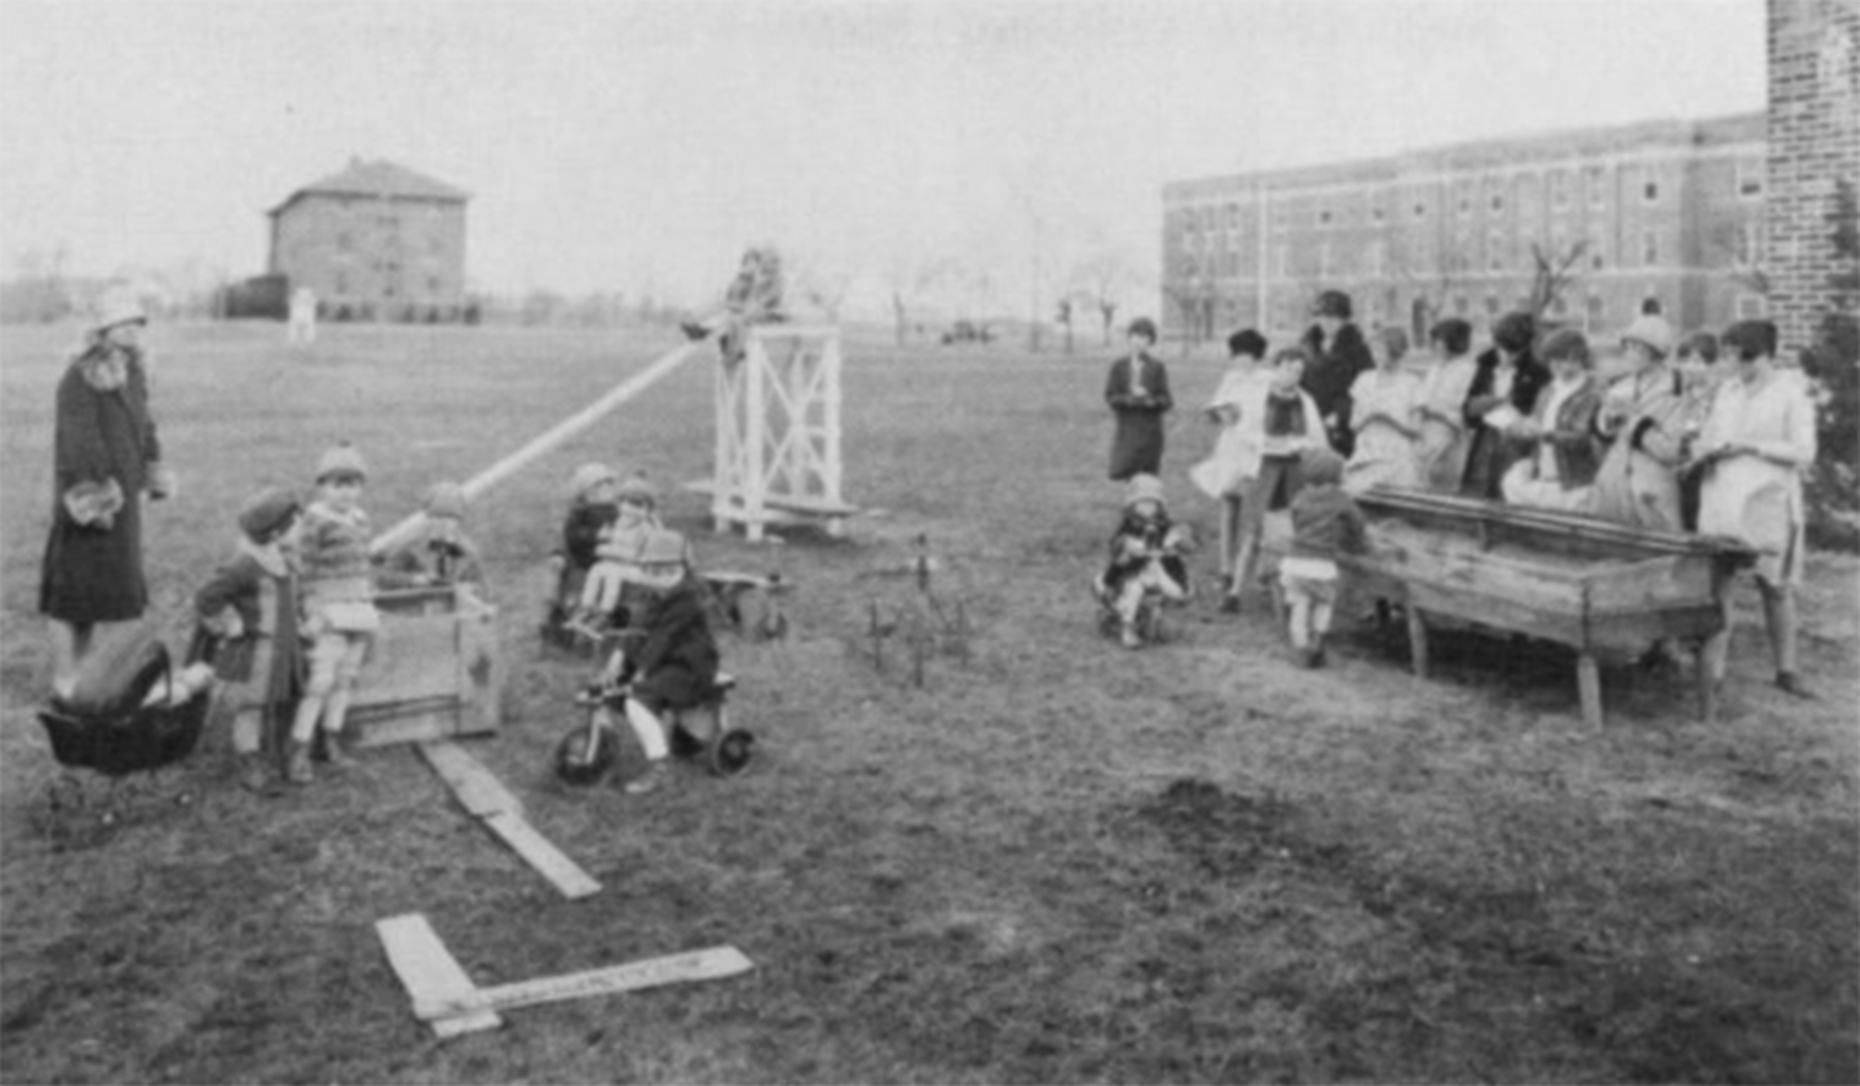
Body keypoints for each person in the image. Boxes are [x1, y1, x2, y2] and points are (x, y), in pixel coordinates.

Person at [40, 286, 175, 706]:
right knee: (72, 595)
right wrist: (97, 496)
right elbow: (78, 441)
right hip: (89, 501)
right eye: (122, 321)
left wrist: (151, 470)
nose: (132, 328)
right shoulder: (81, 375)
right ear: (102, 328)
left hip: (125, 502)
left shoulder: (134, 371)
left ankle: (88, 678)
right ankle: (66, 678)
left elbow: (145, 426)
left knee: (112, 592)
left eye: (137, 322)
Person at [1692, 320, 1818, 703]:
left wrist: (1751, 446)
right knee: (1721, 584)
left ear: (1767, 355)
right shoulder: (1728, 391)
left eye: (1745, 358)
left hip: (1769, 501)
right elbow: (1711, 435)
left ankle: (1786, 670)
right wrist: (1704, 451)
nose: (1738, 365)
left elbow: (1804, 451)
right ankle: (1714, 671)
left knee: (1775, 586)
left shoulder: (1791, 393)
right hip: (1725, 498)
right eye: (1732, 356)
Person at [191, 487, 304, 795]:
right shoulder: (245, 565)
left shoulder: (284, 559)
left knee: (279, 698)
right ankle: (250, 760)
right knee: (250, 706)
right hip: (256, 652)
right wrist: (231, 623)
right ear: (276, 533)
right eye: (296, 523)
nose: (302, 528)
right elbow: (206, 597)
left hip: (284, 648)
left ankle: (277, 750)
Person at [598, 528, 721, 795]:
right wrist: (619, 655)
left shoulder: (687, 600)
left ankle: (660, 766)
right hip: (663, 658)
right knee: (606, 687)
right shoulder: (651, 594)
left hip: (689, 664)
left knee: (638, 698)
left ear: (683, 570)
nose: (658, 579)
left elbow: (663, 638)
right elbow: (637, 628)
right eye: (652, 571)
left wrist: (641, 670)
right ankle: (602, 744)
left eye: (667, 572)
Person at [286, 443, 379, 784]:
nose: (345, 492)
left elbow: (363, 563)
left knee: (346, 678)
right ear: (322, 486)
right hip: (328, 609)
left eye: (352, 484)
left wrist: (368, 591)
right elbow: (303, 570)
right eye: (337, 484)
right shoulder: (314, 522)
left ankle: (330, 739)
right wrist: (308, 610)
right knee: (320, 681)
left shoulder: (360, 519)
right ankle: (298, 746)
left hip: (359, 607)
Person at [1228, 347, 1330, 612]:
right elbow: (1242, 431)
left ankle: (1289, 590)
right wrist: (1265, 441)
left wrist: (1299, 444)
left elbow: (1318, 440)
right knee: (1251, 529)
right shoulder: (1257, 396)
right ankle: (1235, 591)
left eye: (1298, 372)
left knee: (1292, 528)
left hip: (1294, 469)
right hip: (1263, 467)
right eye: (1287, 369)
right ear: (1276, 368)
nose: (1292, 376)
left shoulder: (1305, 401)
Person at [1190, 329, 1267, 608]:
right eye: (1236, 356)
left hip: (1255, 449)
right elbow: (1214, 410)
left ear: (1256, 356)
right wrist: (1220, 414)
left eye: (1245, 356)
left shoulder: (1266, 381)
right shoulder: (1231, 379)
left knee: (1254, 511)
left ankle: (1254, 571)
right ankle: (1226, 567)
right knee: (1229, 504)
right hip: (1231, 447)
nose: (1239, 362)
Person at [1588, 314, 1687, 531]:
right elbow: (1604, 437)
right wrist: (1608, 419)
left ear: (1656, 354)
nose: (1631, 355)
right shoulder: (1619, 386)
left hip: (1651, 490)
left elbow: (1671, 451)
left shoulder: (1675, 391)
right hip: (1613, 486)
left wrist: (1634, 422)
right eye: (1628, 347)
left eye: (1639, 349)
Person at [1500, 329, 1606, 512]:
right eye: (1552, 360)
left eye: (1564, 359)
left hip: (1575, 484)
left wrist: (1545, 435)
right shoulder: (1548, 391)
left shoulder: (1593, 393)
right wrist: (1519, 429)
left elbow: (1584, 439)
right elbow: (1535, 425)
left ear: (1579, 360)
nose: (1555, 365)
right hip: (1543, 477)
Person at [1281, 448, 1368, 668]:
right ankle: (1318, 642)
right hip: (1321, 563)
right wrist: (1356, 540)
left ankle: (1300, 647)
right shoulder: (1339, 498)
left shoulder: (1300, 496)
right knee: (1324, 602)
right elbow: (1358, 522)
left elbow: (1295, 518)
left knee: (1300, 603)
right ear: (1334, 475)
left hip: (1295, 560)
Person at [1092, 474, 1192, 647]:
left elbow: (1185, 544)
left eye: (1152, 503)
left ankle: (1154, 619)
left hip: (1158, 570)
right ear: (1132, 505)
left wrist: (1178, 541)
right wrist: (1128, 549)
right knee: (1134, 588)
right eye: (1142, 503)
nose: (1147, 508)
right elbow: (1118, 551)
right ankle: (1128, 627)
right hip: (1133, 572)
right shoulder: (1127, 529)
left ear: (1159, 505)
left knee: (1178, 593)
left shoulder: (1165, 526)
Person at [1460, 311, 1549, 499]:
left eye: (1515, 352)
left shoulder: (1538, 373)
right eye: (1503, 349)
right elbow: (1468, 408)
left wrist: (1516, 412)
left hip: (1517, 444)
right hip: (1485, 441)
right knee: (1478, 492)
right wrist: (1483, 405)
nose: (1508, 357)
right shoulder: (1485, 366)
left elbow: (1539, 413)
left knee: (1509, 492)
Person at [569, 474, 663, 635]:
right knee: (597, 569)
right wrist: (604, 544)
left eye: (638, 507)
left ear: (648, 511)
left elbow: (641, 555)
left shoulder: (646, 529)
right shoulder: (619, 522)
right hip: (620, 564)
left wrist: (613, 552)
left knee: (613, 573)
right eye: (626, 504)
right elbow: (609, 541)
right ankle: (587, 607)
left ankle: (605, 613)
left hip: (640, 569)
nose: (630, 510)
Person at [1342, 326, 1423, 494]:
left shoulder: (1412, 383)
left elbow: (1416, 429)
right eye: (1374, 350)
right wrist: (1369, 417)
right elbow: (1353, 425)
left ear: (1395, 353)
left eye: (1381, 351)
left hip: (1398, 456)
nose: (1376, 355)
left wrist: (1389, 419)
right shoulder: (1364, 380)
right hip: (1367, 453)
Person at [1298, 290, 1375, 458]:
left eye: (1333, 317)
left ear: (1344, 320)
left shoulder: (1358, 350)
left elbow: (1367, 387)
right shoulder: (1306, 347)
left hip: (1343, 427)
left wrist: (1341, 414)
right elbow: (1298, 383)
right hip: (1310, 420)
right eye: (1322, 316)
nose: (1327, 322)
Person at [682, 246, 787, 363]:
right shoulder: (758, 279)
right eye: (767, 262)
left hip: (767, 314)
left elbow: (765, 300)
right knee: (729, 315)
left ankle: (718, 339)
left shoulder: (776, 281)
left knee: (733, 318)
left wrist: (745, 307)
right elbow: (750, 299)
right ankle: (706, 330)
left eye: (772, 262)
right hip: (752, 312)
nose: (769, 266)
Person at [375, 481, 485, 591]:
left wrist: (467, 587)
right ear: (428, 519)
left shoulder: (467, 552)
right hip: (418, 598)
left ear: (458, 521)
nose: (443, 523)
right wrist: (414, 579)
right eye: (437, 517)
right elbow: (384, 578)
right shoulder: (413, 547)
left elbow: (479, 586)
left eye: (449, 517)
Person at [1414, 318, 1481, 493]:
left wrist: (1439, 414)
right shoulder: (1435, 368)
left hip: (1450, 433)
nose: (1436, 346)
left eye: (1440, 341)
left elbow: (1462, 407)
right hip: (1425, 431)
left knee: (1443, 480)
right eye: (1435, 341)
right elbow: (1421, 396)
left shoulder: (1467, 370)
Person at [1104, 317, 1173, 481]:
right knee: (1127, 472)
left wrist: (1150, 401)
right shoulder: (1119, 366)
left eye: (1144, 338)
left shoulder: (1157, 367)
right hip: (1128, 429)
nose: (1139, 342)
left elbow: (1166, 400)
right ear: (1129, 338)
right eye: (1135, 336)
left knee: (1147, 476)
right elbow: (1111, 396)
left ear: (1150, 342)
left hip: (1150, 431)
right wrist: (1129, 399)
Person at [1675, 331, 1728, 530]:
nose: (1690, 367)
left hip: (1709, 467)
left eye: (1697, 362)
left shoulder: (1722, 393)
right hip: (1679, 463)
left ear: (1712, 364)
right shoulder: (1678, 392)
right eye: (1685, 361)